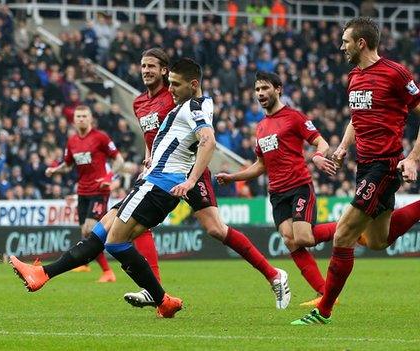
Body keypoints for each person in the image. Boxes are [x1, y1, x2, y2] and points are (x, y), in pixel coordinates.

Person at [9, 58, 216, 318]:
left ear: (193, 84)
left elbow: (208, 141)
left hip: (159, 186)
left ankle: (162, 299)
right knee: (97, 235)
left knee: (115, 243)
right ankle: (42, 274)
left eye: (175, 84)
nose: (170, 89)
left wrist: (191, 180)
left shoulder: (195, 106)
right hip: (151, 182)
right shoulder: (185, 107)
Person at [124, 48, 291, 310]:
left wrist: (191, 176)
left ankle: (273, 274)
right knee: (137, 225)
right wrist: (148, 156)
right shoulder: (138, 103)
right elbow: (152, 137)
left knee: (215, 229)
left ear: (164, 71)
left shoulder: (176, 96)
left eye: (152, 67)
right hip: (160, 170)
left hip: (189, 169)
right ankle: (154, 291)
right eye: (143, 66)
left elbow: (200, 129)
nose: (146, 71)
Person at [291, 17, 420, 325]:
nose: (341, 46)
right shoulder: (354, 78)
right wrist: (343, 147)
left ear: (361, 43)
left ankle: (324, 310)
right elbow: (356, 117)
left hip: (386, 165)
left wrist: (413, 158)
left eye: (346, 41)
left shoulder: (395, 73)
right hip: (364, 166)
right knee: (377, 241)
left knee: (345, 232)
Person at [217, 71, 338, 306]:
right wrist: (233, 177)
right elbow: (261, 165)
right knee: (290, 240)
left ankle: (350, 228)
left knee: (303, 237)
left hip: (299, 186)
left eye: (265, 88)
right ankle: (324, 293)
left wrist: (318, 156)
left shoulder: (294, 117)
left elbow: (320, 141)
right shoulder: (261, 127)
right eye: (257, 89)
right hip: (277, 193)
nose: (261, 93)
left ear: (278, 89)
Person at [45, 105, 124, 283]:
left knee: (89, 230)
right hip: (82, 191)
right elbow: (67, 165)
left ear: (90, 119)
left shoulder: (100, 137)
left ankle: (107, 272)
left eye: (84, 116)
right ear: (74, 120)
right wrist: (54, 170)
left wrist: (109, 177)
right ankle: (91, 265)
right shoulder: (72, 141)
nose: (81, 119)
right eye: (78, 116)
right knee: (87, 234)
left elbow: (119, 160)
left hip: (99, 191)